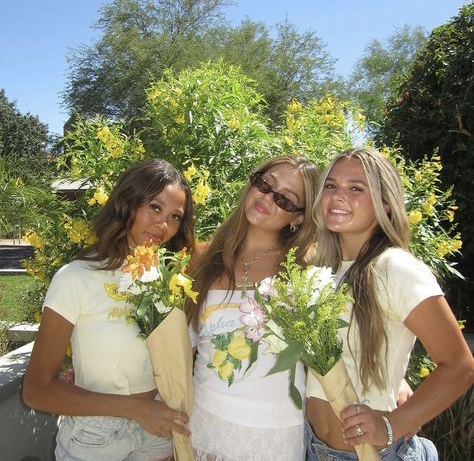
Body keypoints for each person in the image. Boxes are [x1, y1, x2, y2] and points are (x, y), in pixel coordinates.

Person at [305, 148, 474, 461]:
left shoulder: (396, 268)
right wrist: (396, 378)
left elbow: (460, 366)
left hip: (369, 454)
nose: (338, 196)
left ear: (385, 203)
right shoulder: (324, 268)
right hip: (310, 445)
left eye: (356, 188)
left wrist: (394, 423)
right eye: (331, 185)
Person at [23, 159, 195, 461]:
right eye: (154, 207)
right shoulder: (75, 277)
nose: (163, 225)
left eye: (175, 216)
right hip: (97, 438)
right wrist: (136, 409)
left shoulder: (165, 280)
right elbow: (36, 390)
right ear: (127, 202)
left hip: (159, 431)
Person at [186, 154, 320, 461]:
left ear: (299, 217)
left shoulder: (304, 270)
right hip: (204, 427)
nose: (268, 198)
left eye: (285, 199)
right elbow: (178, 347)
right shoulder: (202, 258)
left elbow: (339, 342)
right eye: (265, 184)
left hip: (275, 437)